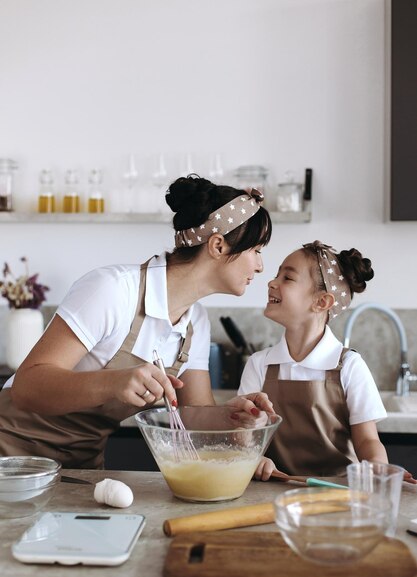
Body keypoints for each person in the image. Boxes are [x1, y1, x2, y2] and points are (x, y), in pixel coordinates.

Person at [0, 175, 275, 469]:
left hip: (80, 468)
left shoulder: (195, 322)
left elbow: (194, 417)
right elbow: (27, 388)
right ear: (218, 246)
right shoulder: (113, 290)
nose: (260, 266)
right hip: (10, 456)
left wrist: (230, 416)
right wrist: (113, 382)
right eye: (256, 251)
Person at [238, 240, 416, 482]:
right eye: (276, 275)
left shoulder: (350, 366)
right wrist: (253, 458)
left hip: (339, 492)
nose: (272, 282)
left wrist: (378, 471)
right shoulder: (259, 364)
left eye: (287, 278)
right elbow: (243, 432)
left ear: (322, 302)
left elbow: (367, 440)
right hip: (274, 490)